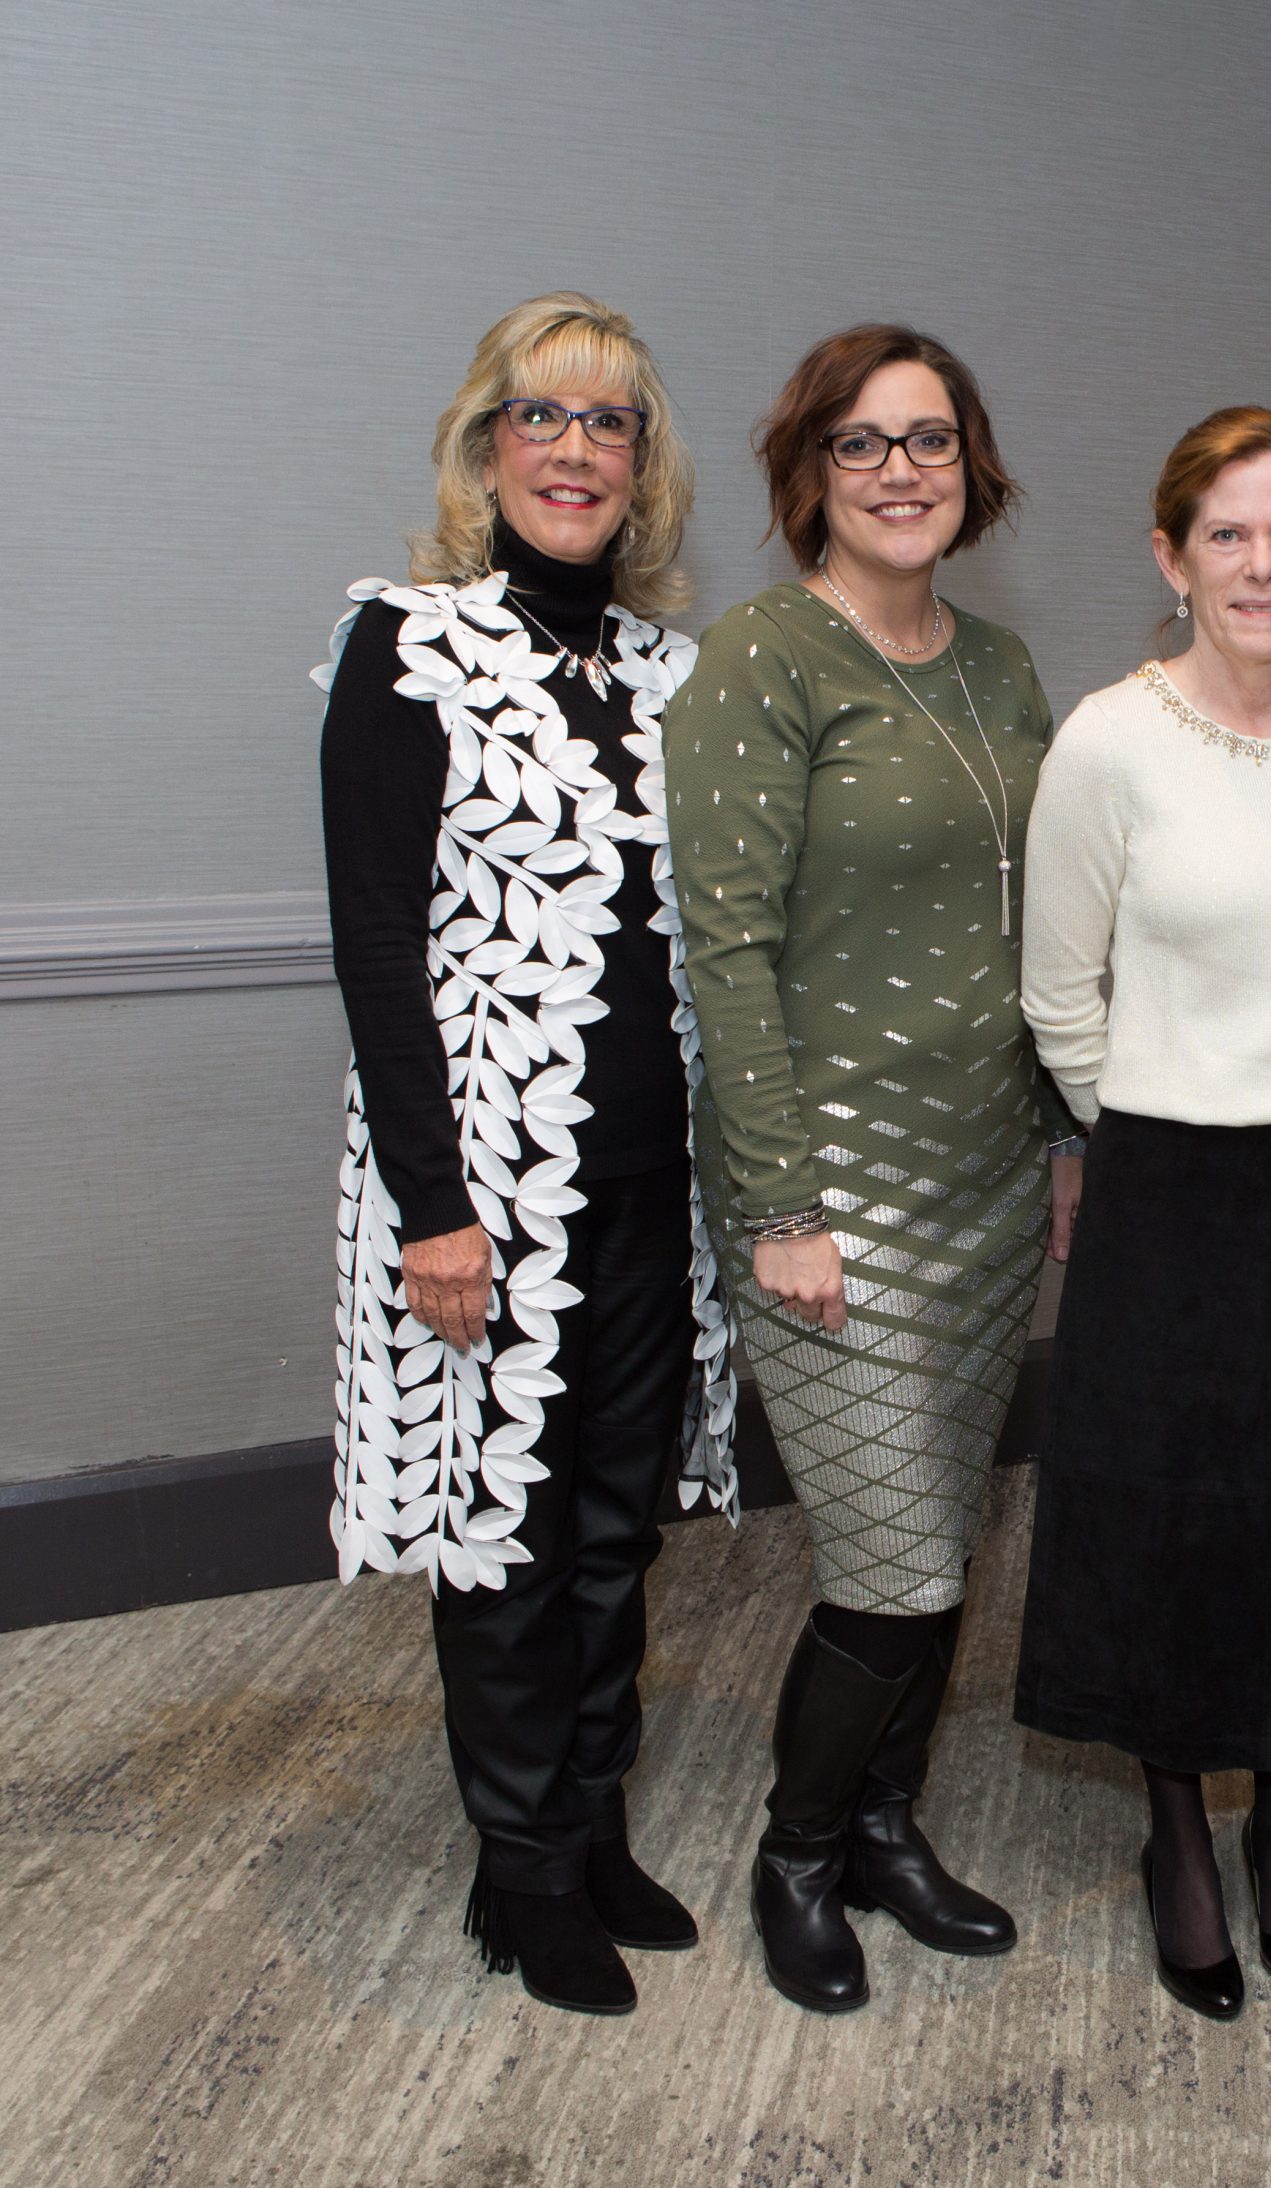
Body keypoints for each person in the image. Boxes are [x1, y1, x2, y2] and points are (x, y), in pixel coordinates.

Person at [319, 292, 738, 2017]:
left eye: (609, 421)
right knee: (505, 1529)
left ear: (646, 465)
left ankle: (593, 1817)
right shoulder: (409, 646)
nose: (575, 449)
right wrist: (434, 1208)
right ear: (485, 447)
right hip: (485, 1198)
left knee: (616, 1526)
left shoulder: (669, 675)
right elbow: (376, 944)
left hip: (656, 1189)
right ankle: (521, 1868)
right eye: (541, 416)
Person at [666, 325, 1077, 2016]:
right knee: (892, 1565)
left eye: (931, 439)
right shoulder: (760, 659)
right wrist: (781, 1206)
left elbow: (1044, 931)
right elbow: (725, 949)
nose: (902, 471)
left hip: (988, 1171)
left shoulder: (1003, 668)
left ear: (974, 466)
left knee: (944, 1541)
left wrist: (1061, 1135)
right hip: (833, 1189)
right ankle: (799, 1853)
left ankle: (889, 1831)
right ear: (808, 474)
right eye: (861, 442)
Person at [1013, 407, 1271, 2020]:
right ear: (1170, 558)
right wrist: (1142, 1125)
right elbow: (1059, 990)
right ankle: (1178, 1828)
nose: (1261, 564)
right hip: (1169, 1179)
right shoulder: (1112, 741)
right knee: (1168, 1516)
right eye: (1226, 534)